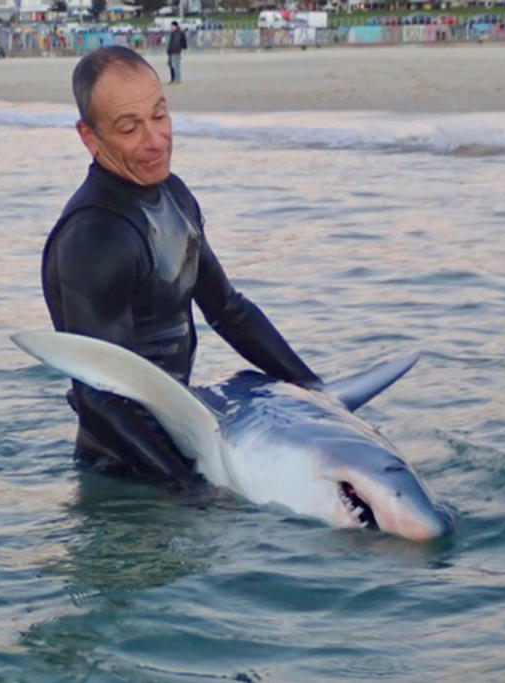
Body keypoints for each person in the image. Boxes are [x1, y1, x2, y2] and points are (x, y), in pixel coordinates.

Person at [41, 46, 319, 484]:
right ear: (90, 137)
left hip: (178, 447)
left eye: (160, 116)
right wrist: (187, 490)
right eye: (130, 128)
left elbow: (229, 310)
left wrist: (316, 391)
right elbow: (99, 400)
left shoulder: (174, 197)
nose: (155, 140)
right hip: (120, 476)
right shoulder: (95, 237)